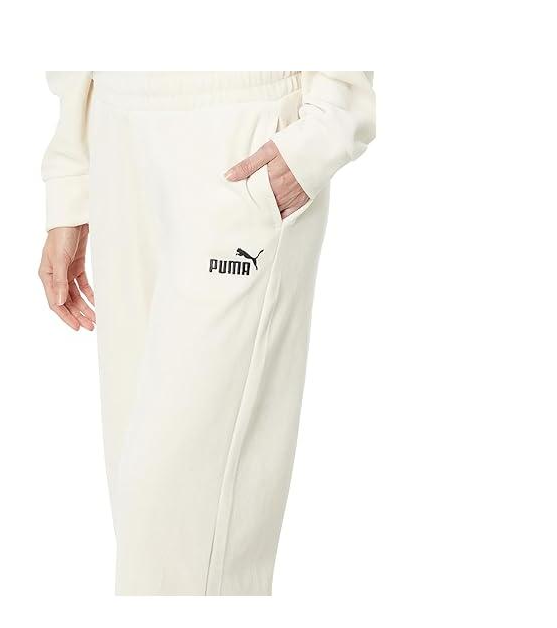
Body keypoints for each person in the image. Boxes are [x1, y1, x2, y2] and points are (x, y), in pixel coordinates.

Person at [39, 72, 375, 595]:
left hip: (242, 127)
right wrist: (72, 176)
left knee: (172, 522)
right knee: (145, 521)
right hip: (116, 128)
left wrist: (327, 126)